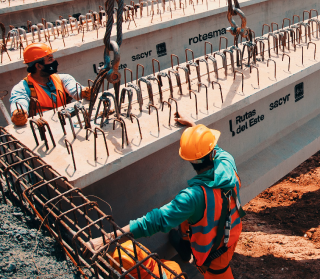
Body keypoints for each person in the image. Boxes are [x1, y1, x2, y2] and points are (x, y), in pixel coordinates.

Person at [87, 114, 245, 278]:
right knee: (186, 218)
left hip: (216, 255)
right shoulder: (226, 162)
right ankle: (185, 248)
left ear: (189, 160)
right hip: (232, 229)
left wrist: (107, 239)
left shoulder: (192, 197)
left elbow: (155, 221)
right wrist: (193, 128)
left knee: (214, 268)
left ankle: (193, 254)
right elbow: (213, 148)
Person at [9, 42, 91, 126]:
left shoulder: (63, 78)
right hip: (42, 129)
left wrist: (84, 92)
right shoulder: (22, 88)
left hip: (65, 123)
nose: (54, 61)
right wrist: (19, 114)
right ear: (39, 66)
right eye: (50, 59)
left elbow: (74, 90)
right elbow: (19, 101)